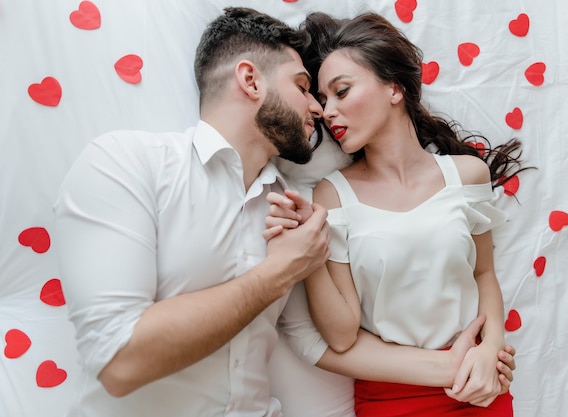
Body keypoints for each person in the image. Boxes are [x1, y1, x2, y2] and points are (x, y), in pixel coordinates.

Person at [53, 6, 516, 417]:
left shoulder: (294, 208)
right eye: (304, 87)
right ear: (250, 80)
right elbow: (118, 361)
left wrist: (478, 354)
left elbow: (313, 337)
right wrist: (283, 268)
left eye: (334, 92)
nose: (319, 108)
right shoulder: (128, 163)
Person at [264, 11, 531, 416]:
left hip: (480, 387)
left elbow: (483, 274)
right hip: (392, 396)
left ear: (394, 87)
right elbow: (340, 335)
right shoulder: (332, 195)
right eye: (322, 100)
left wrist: (492, 348)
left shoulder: (466, 175)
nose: (328, 112)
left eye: (342, 91)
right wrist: (310, 244)